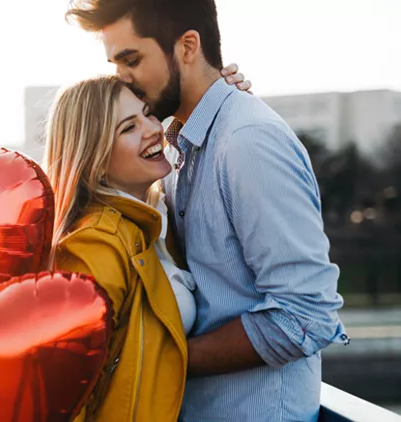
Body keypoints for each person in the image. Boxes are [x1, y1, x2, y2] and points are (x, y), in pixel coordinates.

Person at [64, 0, 349, 421]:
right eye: (117, 64)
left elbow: (306, 316)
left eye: (132, 60)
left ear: (188, 46)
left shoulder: (247, 141)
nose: (124, 79)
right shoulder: (181, 146)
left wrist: (165, 360)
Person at [44, 70, 250, 421]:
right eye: (128, 127)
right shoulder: (94, 245)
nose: (154, 128)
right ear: (93, 158)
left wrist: (224, 105)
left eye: (147, 112)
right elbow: (63, 395)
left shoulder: (156, 214)